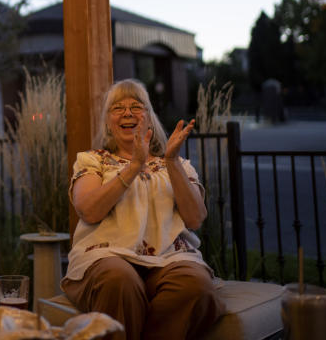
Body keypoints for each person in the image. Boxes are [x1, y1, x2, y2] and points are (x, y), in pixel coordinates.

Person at [60, 79, 225, 340]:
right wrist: (134, 165)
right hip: (107, 255)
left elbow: (195, 218)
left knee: (196, 287)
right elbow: (89, 211)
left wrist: (171, 161)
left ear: (149, 119)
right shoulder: (92, 160)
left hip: (170, 257)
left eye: (137, 106)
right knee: (118, 280)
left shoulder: (176, 163)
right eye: (117, 108)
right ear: (108, 123)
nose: (127, 112)